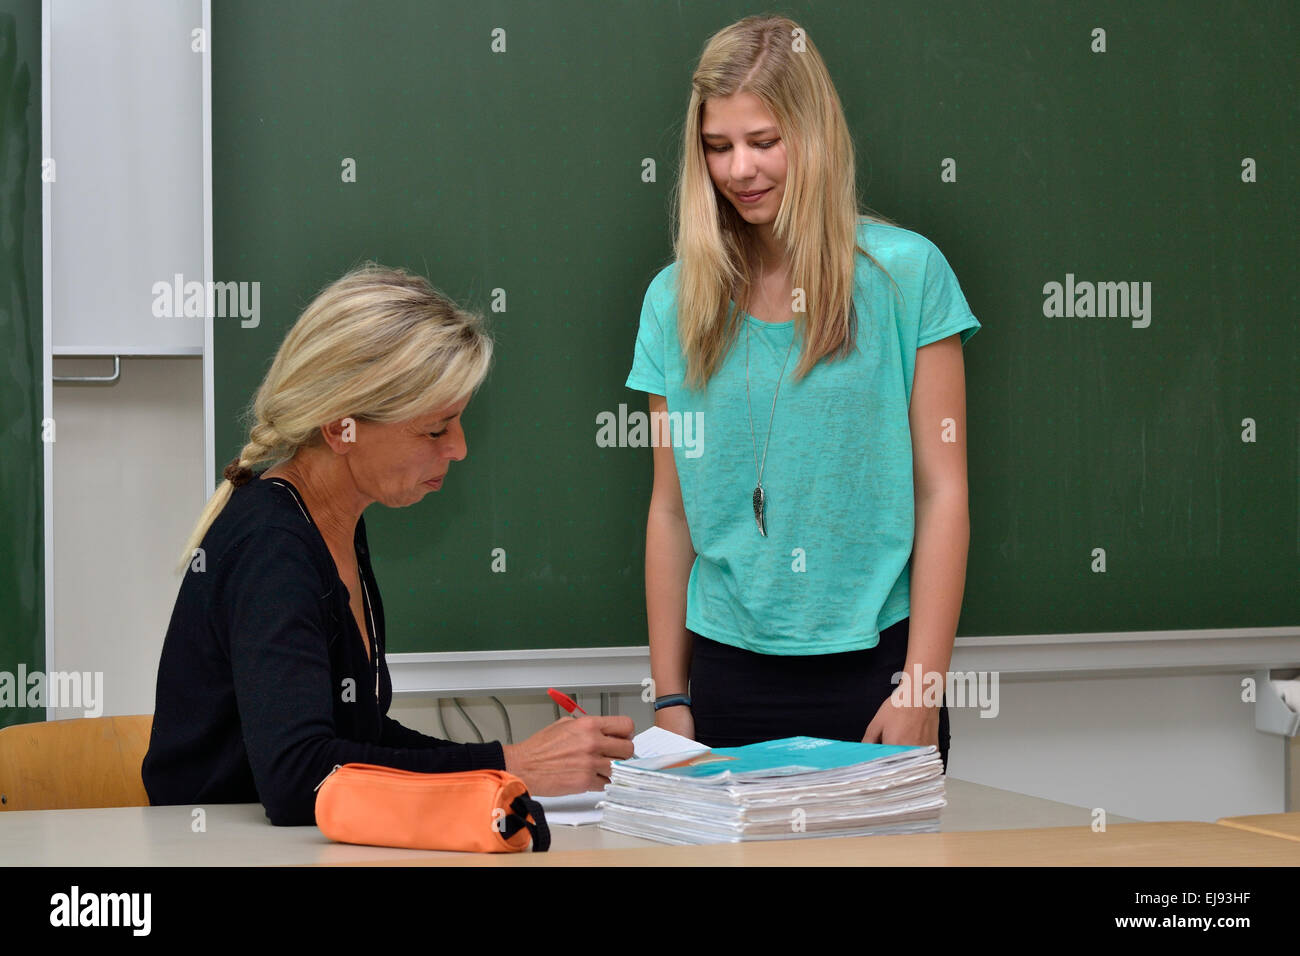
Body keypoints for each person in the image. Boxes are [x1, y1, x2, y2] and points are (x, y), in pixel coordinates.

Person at [143, 263, 633, 825]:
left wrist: (511, 767)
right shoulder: (272, 548)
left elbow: (360, 738)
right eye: (435, 429)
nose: (460, 448)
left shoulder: (332, 520)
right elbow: (300, 779)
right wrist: (511, 764)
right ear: (339, 427)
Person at [625, 16, 979, 770]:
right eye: (718, 147)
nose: (740, 169)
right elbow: (670, 509)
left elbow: (942, 491)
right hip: (723, 677)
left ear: (813, 134)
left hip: (879, 673)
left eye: (764, 140)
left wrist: (921, 686)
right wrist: (669, 699)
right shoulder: (672, 302)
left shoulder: (907, 277)